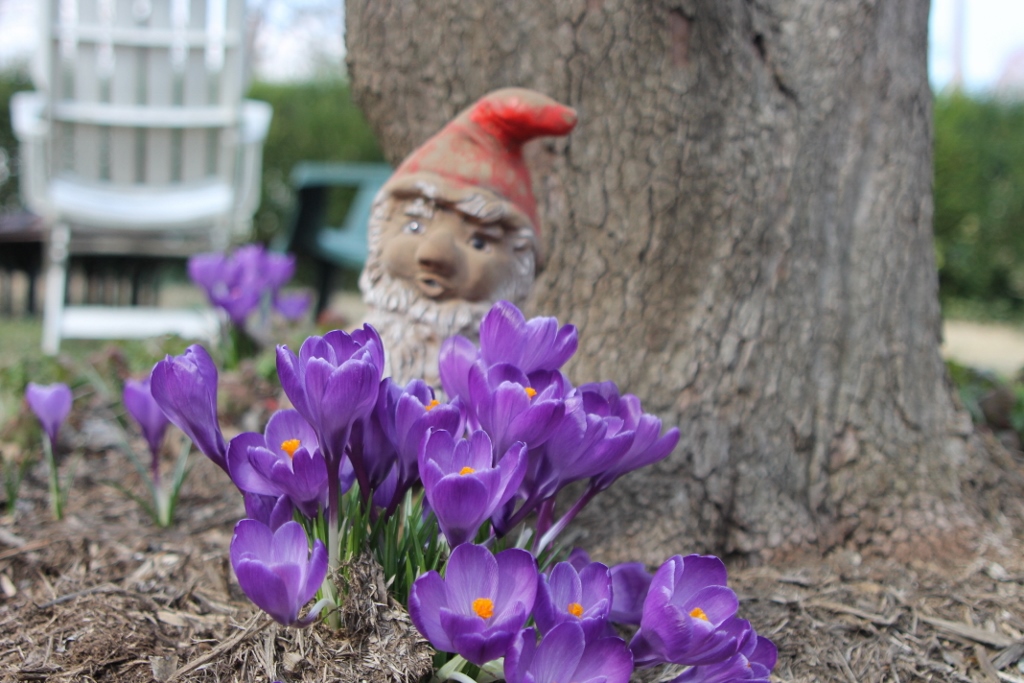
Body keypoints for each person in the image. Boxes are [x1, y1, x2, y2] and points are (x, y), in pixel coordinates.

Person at [359, 87, 577, 387]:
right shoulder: (357, 350)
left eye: (478, 242)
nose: (434, 255)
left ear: (519, 265)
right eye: (414, 226)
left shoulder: (506, 381)